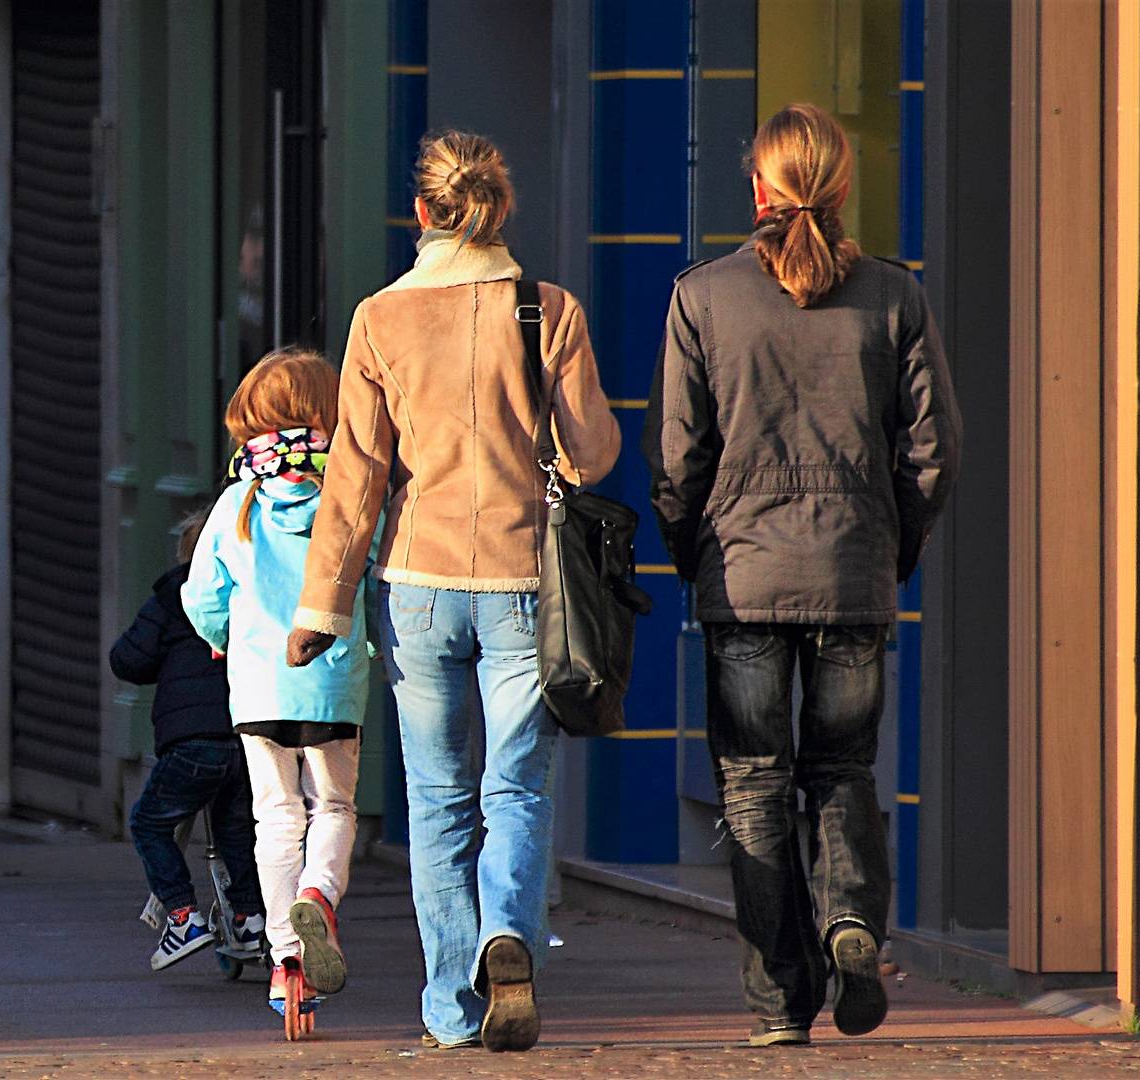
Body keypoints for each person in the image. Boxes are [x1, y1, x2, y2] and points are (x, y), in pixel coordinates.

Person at [290, 130, 619, 1053]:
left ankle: (448, 1007)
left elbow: (353, 480)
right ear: (498, 209)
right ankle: (508, 932)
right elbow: (591, 454)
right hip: (522, 579)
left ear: (423, 213)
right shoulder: (546, 308)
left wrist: (321, 607)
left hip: (418, 585)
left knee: (436, 799)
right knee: (515, 786)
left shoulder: (377, 321)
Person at [643, 102, 958, 1047]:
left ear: (759, 189)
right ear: (841, 187)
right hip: (852, 571)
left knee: (751, 782)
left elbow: (677, 458)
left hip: (740, 577)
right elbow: (934, 451)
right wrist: (891, 546)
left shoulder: (703, 296)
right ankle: (851, 919)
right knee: (843, 769)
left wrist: (690, 549)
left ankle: (782, 998)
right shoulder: (895, 297)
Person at [183, 348, 375, 1031]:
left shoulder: (237, 503)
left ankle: (285, 955)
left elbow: (202, 595)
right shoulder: (349, 498)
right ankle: (319, 897)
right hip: (333, 678)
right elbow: (374, 573)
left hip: (259, 686)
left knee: (276, 816)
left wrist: (220, 637)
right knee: (335, 808)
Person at [112, 509, 266, 972]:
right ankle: (249, 919)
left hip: (193, 742)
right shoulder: (254, 594)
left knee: (150, 824)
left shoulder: (172, 597)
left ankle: (183, 918)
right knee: (238, 833)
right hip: (246, 736)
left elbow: (127, 660)